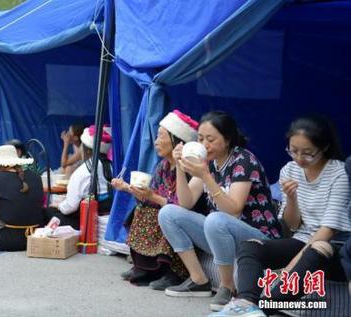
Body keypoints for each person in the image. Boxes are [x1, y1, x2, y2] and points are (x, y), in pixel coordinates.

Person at [211, 116, 351, 317]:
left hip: (332, 245)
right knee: (250, 245)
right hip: (302, 238)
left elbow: (328, 230)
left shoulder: (339, 174)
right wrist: (292, 198)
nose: (299, 158)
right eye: (293, 151)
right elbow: (293, 225)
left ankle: (260, 308)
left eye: (308, 153)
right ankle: (245, 302)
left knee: (316, 249)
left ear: (325, 147)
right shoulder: (290, 169)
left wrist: (289, 268)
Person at [158, 111, 281, 311]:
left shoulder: (243, 161)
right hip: (225, 236)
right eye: (200, 139)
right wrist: (180, 167)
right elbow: (186, 203)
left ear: (228, 139)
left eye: (210, 139)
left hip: (258, 238)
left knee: (216, 220)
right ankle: (199, 280)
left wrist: (206, 176)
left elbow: (233, 209)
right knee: (168, 213)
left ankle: (227, 287)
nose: (204, 145)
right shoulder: (209, 162)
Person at [115, 110, 202, 290]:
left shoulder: (188, 168)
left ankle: (175, 273)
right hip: (165, 209)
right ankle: (145, 267)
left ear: (177, 140)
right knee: (142, 210)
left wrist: (151, 197)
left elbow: (181, 206)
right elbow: (151, 196)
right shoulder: (162, 166)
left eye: (160, 136)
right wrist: (127, 188)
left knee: (161, 215)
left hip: (187, 217)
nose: (155, 141)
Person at [45, 125, 113, 229]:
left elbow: (70, 207)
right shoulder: (112, 167)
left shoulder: (82, 172)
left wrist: (59, 206)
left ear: (87, 150)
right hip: (108, 217)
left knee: (47, 212)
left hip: (87, 222)